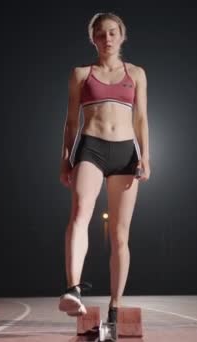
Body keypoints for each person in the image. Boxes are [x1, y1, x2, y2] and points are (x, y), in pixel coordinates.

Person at [58, 12, 150, 326]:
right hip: (91, 148)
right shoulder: (81, 74)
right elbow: (71, 121)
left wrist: (146, 156)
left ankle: (115, 307)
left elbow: (141, 119)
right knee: (80, 211)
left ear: (121, 36)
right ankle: (73, 289)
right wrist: (65, 158)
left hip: (126, 153)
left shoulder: (136, 73)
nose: (107, 39)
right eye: (100, 34)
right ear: (93, 39)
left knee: (120, 235)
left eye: (112, 33)